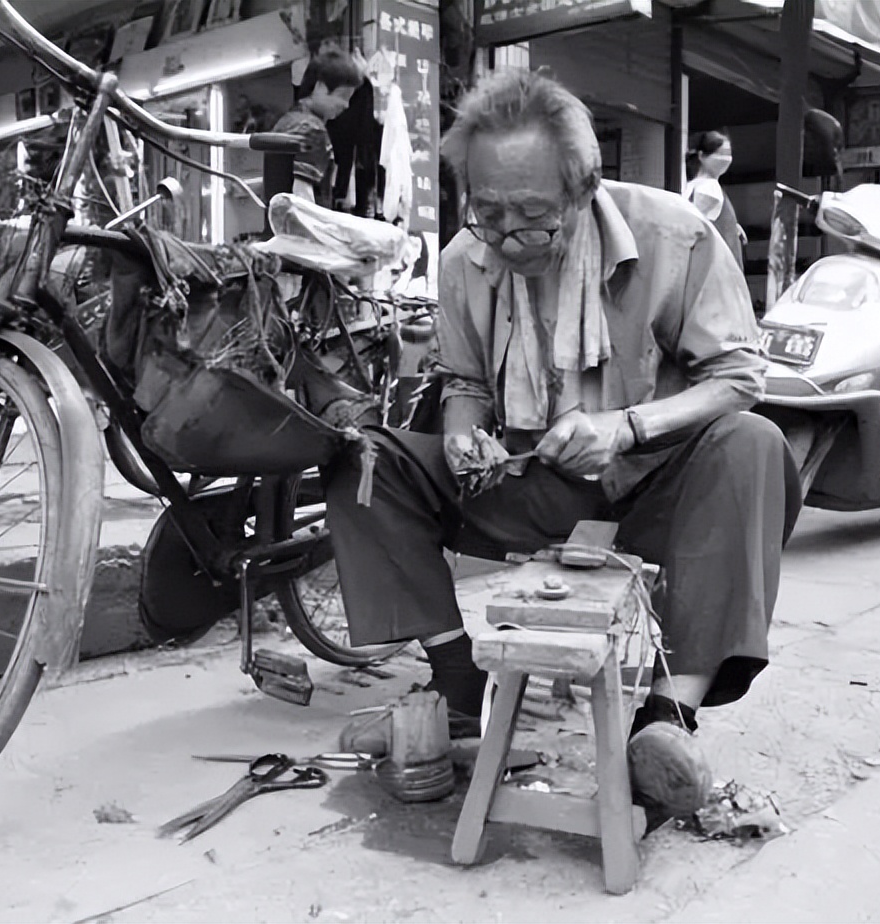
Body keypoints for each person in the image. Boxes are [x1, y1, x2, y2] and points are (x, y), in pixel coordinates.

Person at [324, 70, 801, 821]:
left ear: (583, 190)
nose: (509, 239)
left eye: (534, 216)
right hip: (528, 482)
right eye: (489, 213)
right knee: (364, 459)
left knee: (754, 443)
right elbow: (464, 380)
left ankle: (666, 724)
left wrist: (627, 426)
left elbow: (739, 376)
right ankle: (455, 686)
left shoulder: (673, 236)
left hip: (653, 488)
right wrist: (458, 437)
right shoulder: (461, 262)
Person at [271, 46, 362, 208]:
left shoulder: (285, 122)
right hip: (299, 230)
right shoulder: (313, 130)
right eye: (342, 96)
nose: (346, 105)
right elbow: (303, 200)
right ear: (319, 86)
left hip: (277, 227)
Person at [686, 130, 746, 269]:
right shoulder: (709, 187)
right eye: (720, 154)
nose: (726, 159)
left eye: (728, 154)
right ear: (702, 156)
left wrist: (731, 225)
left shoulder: (691, 185)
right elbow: (699, 227)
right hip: (718, 267)